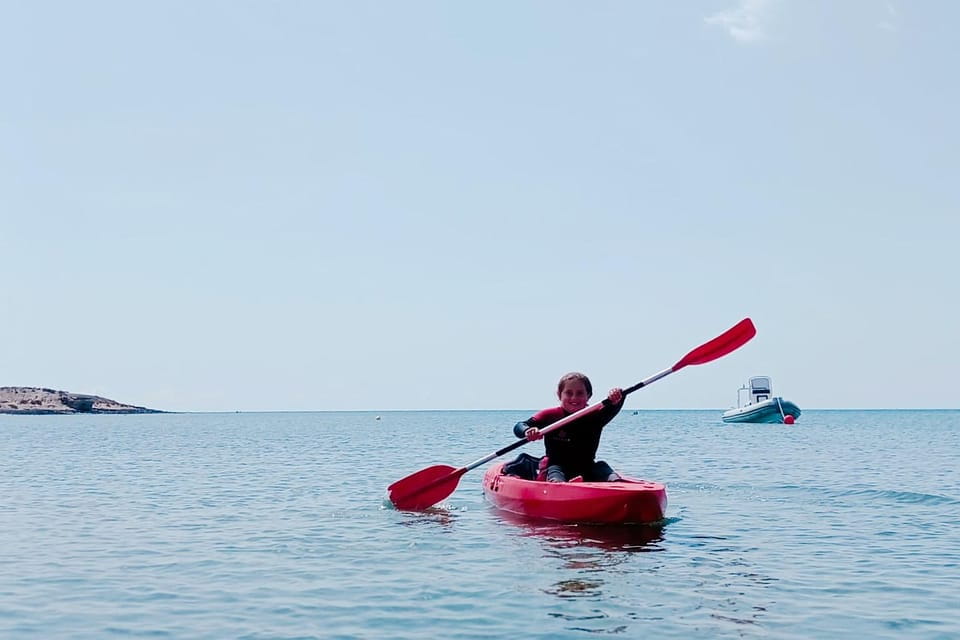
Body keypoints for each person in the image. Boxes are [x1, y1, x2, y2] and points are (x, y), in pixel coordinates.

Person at [513, 372, 625, 482]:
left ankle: (618, 485)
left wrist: (617, 394)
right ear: (559, 395)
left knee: (602, 466)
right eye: (569, 393)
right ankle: (559, 485)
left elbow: (615, 404)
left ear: (589, 395)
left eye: (580, 393)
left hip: (587, 467)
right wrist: (527, 431)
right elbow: (519, 426)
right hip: (556, 468)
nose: (574, 397)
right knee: (555, 472)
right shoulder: (550, 415)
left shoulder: (596, 416)